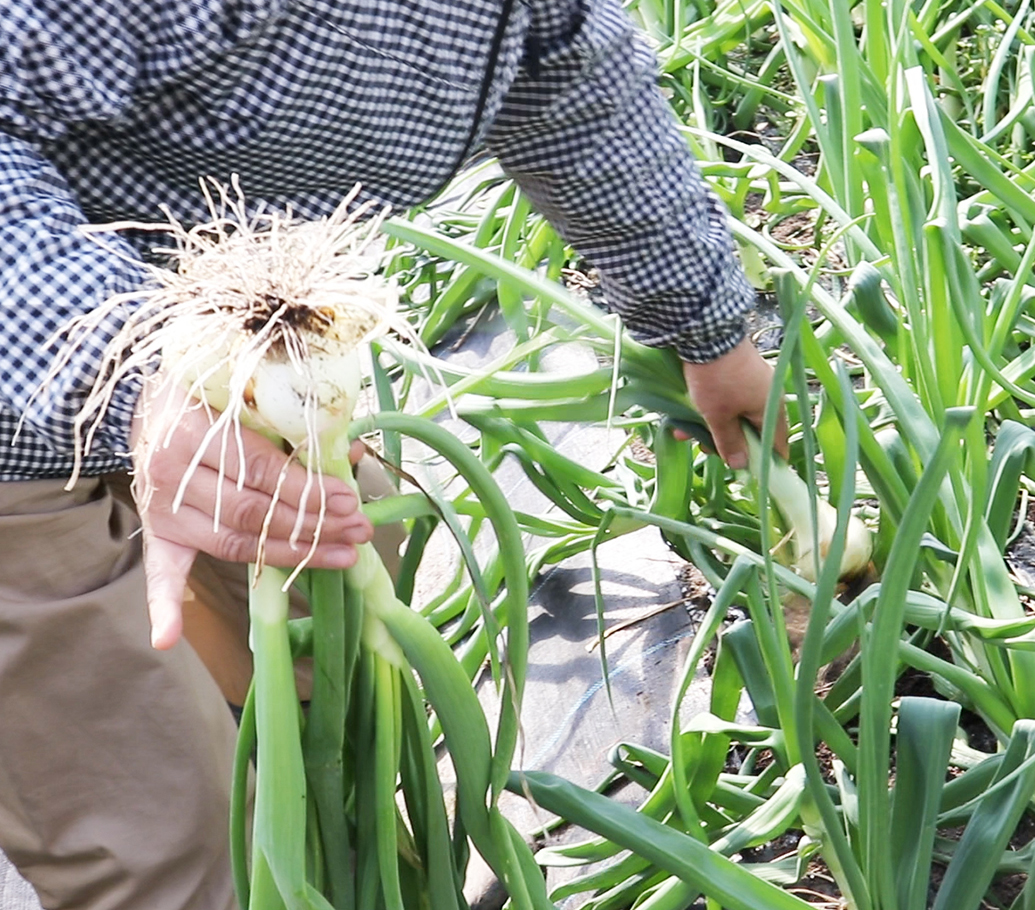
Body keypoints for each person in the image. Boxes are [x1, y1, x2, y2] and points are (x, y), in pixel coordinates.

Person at [0, 1, 785, 907]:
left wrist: (707, 327)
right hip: (27, 419)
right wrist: (130, 375)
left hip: (228, 377)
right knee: (163, 841)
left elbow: (568, 71)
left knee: (342, 624)